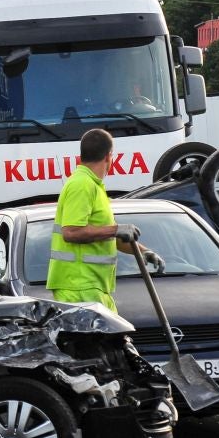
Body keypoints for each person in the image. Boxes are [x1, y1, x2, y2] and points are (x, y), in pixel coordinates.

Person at [48, 128, 164, 313]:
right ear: (109, 157)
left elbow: (108, 236)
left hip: (92, 286)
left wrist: (143, 251)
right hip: (79, 287)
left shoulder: (93, 186)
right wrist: (115, 229)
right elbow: (71, 232)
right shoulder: (82, 185)